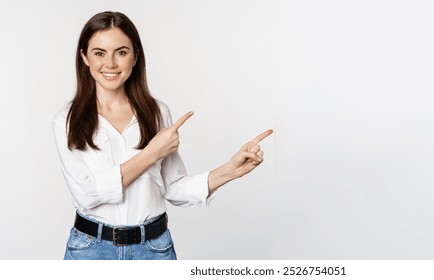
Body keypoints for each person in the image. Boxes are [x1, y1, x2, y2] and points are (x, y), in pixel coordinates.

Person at [52, 11, 272, 260]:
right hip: (90, 251)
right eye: (99, 53)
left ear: (135, 56)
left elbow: (172, 186)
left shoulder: (157, 113)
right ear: (84, 57)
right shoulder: (67, 121)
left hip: (153, 250)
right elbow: (87, 194)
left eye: (121, 52)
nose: (110, 63)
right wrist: (150, 154)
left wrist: (228, 171)